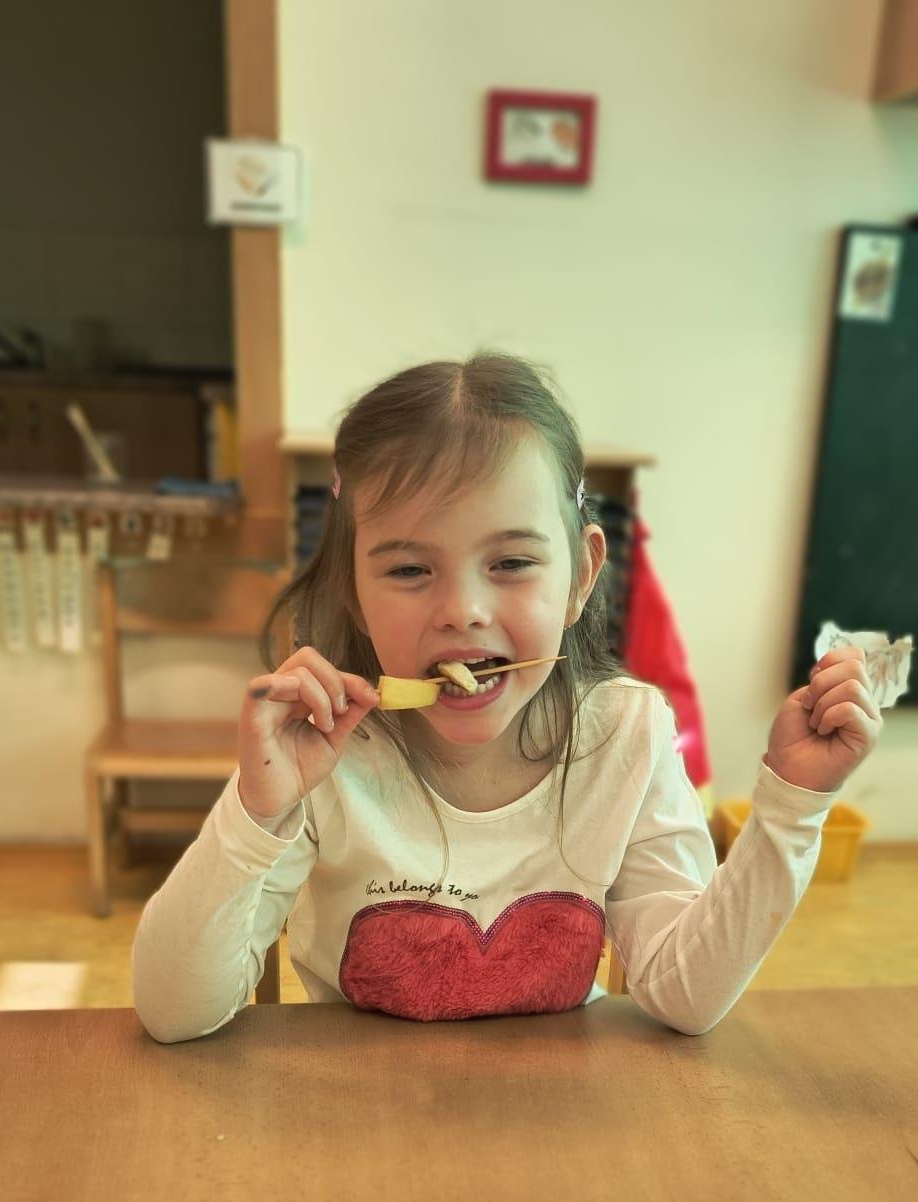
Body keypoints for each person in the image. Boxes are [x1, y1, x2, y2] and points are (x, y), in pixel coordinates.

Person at [132, 353, 882, 1041]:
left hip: (560, 1115)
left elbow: (685, 997)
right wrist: (257, 814)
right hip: (361, 1115)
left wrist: (790, 809)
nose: (462, 611)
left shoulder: (626, 736)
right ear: (353, 594)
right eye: (409, 571)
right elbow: (173, 1013)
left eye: (512, 562)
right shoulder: (321, 753)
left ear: (581, 575)